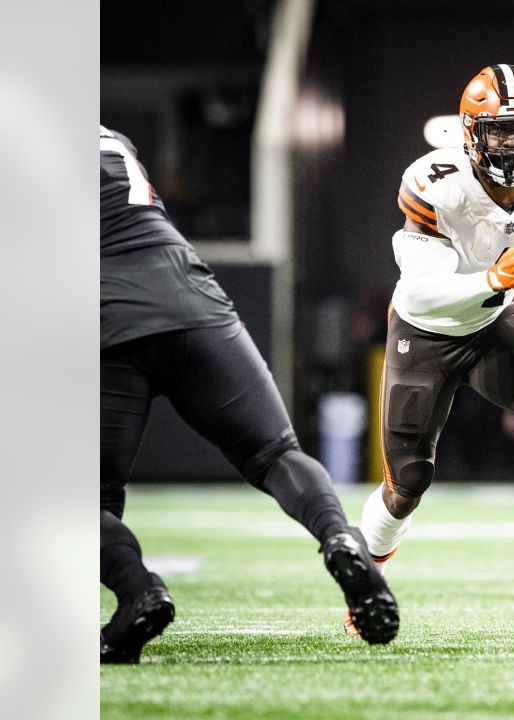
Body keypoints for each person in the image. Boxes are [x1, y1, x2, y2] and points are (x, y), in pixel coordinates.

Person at [99, 126, 399, 663]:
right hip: (190, 292)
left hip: (105, 313)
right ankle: (340, 537)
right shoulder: (110, 138)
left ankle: (136, 591)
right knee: (276, 454)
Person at [347, 64, 514, 634]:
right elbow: (422, 290)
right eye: (501, 132)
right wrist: (493, 280)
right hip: (425, 330)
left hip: (493, 318)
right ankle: (363, 586)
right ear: (471, 132)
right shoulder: (436, 183)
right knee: (407, 485)